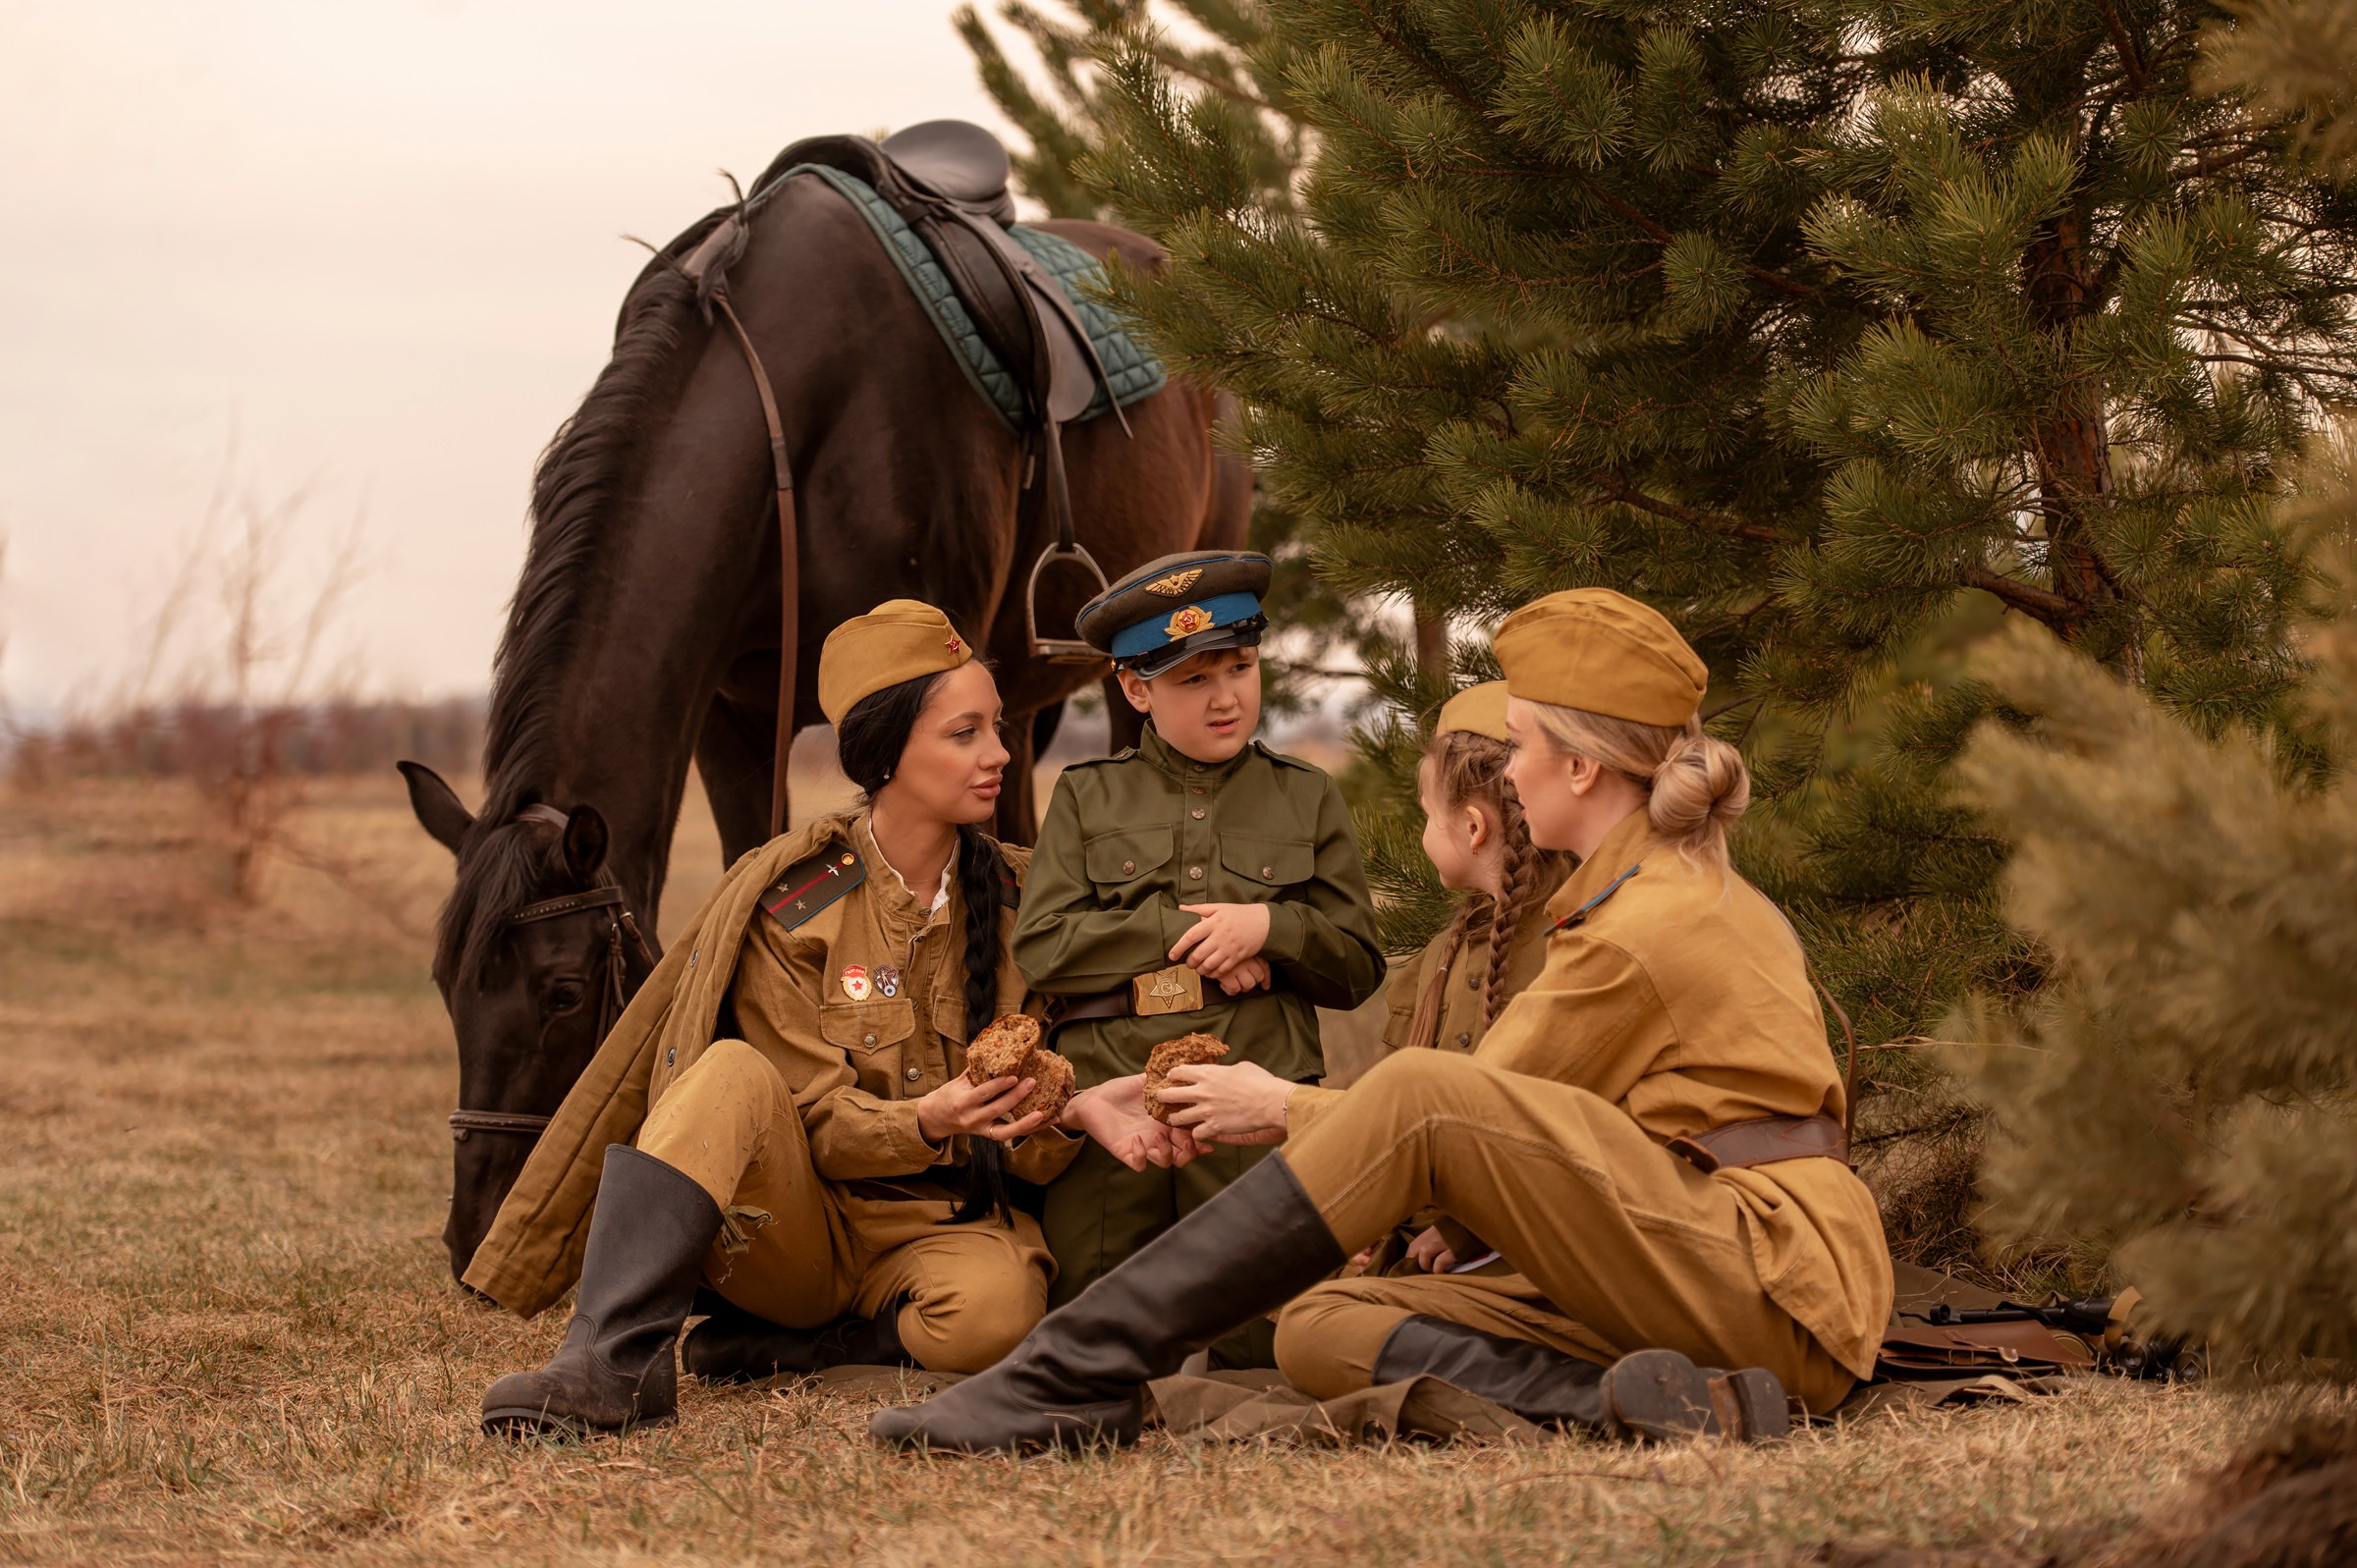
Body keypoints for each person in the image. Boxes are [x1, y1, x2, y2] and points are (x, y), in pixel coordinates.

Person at [868, 587, 1895, 1453]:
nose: (1512, 769)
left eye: (1525, 744)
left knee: (1415, 1092)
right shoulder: (1643, 892)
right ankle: (1663, 1405)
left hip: (1769, 1280)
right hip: (1696, 1270)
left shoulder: (1647, 920)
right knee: (1322, 1328)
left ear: (1583, 768)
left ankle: (1070, 1368)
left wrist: (1275, 1106)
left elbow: (1450, 1115)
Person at [466, 600, 1180, 1438]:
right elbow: (811, 1118)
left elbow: (1035, 1127)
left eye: (999, 726)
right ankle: (612, 1360)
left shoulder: (1030, 904)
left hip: (941, 1230)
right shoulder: (796, 906)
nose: (1001, 753)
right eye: (966, 732)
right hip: (799, 1229)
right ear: (886, 752)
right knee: (730, 1074)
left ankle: (795, 1350)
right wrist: (923, 1118)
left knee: (1002, 1317)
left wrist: (1068, 1112)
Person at [1014, 550, 1386, 1366]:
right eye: (1193, 679)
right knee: (1093, 1331)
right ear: (1135, 687)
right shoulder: (1086, 795)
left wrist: (1272, 928)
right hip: (1117, 1092)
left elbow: (1358, 968)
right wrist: (1191, 932)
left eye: (1242, 667)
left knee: (1265, 1340)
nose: (1226, 696)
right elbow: (1042, 947)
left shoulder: (1306, 794)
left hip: (1255, 1086)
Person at [1365, 678, 1574, 1278]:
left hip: (1526, 1258)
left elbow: (1563, 1133)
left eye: (1427, 815)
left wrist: (1466, 1228)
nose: (1424, 832)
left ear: (1473, 827)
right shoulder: (1438, 958)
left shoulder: (1576, 948)